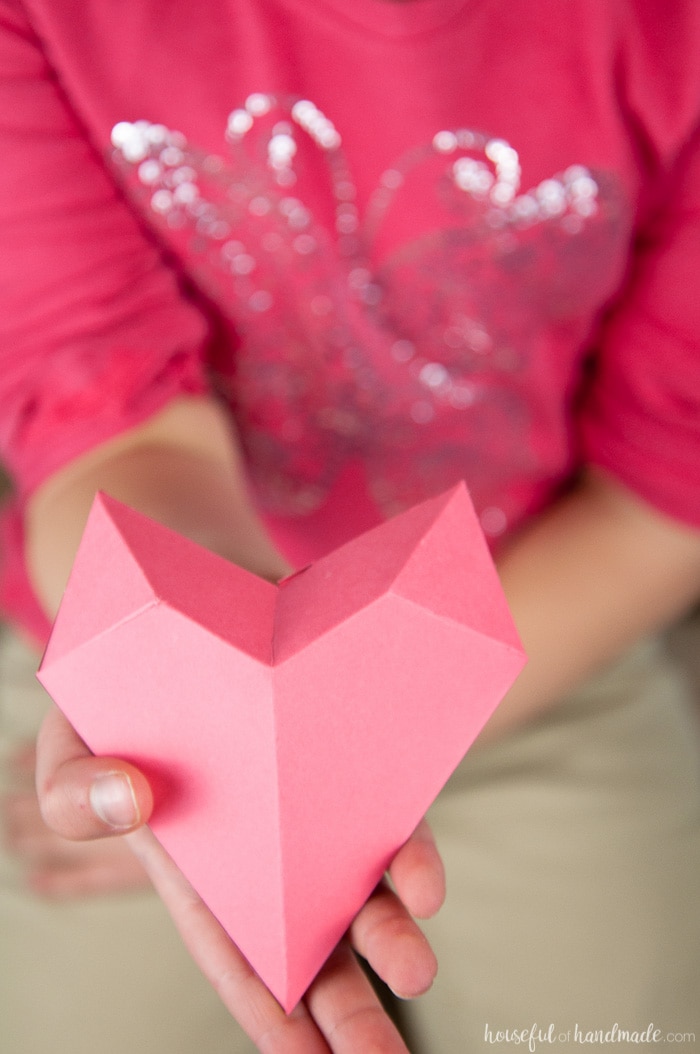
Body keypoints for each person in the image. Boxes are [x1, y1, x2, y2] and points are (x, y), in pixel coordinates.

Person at [1, 0, 699, 1051]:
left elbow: (662, 498)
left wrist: (365, 741)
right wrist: (190, 704)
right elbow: (109, 425)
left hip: (550, 630)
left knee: (607, 1022)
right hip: (138, 659)